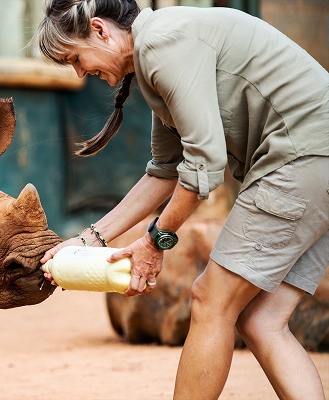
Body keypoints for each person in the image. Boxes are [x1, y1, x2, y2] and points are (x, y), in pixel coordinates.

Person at [35, 0, 329, 399]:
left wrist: (157, 240)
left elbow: (203, 163)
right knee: (262, 320)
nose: (80, 71)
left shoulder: (160, 44)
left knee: (210, 300)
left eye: (75, 57)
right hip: (314, 161)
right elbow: (166, 170)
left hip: (303, 158)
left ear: (101, 30)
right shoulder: (163, 42)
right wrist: (90, 238)